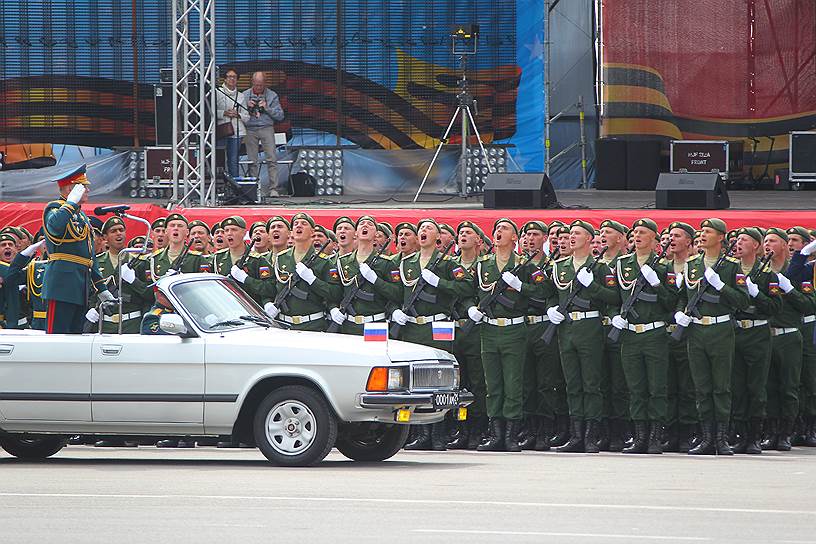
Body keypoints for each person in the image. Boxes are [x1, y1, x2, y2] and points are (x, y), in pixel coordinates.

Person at [393, 219, 473, 451]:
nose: (423, 232)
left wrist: (440, 283)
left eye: (429, 228)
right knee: (413, 381)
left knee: (440, 381)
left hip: (438, 326)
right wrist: (395, 311)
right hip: (412, 327)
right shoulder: (407, 264)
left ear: (438, 236)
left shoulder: (447, 264)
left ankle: (438, 433)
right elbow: (394, 294)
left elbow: (467, 287)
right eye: (421, 230)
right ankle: (419, 433)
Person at [674, 218, 749, 455]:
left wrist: (721, 287)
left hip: (720, 330)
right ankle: (706, 438)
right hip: (696, 331)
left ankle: (721, 438)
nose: (703, 235)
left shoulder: (730, 267)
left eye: (709, 231)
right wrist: (679, 312)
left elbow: (743, 301)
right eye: (702, 231)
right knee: (702, 386)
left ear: (721, 237)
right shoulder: (692, 265)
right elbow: (683, 297)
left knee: (721, 387)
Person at [546, 220, 619, 453]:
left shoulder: (599, 268)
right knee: (573, 384)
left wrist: (594, 287)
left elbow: (614, 297)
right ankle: (576, 435)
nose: (571, 237)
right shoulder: (559, 267)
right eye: (570, 234)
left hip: (589, 328)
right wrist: (551, 309)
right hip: (566, 329)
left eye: (577, 233)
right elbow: (550, 295)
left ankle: (590, 436)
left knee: (591, 384)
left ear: (589, 239)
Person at [611, 218, 676, 454]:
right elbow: (613, 297)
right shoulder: (621, 265)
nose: (636, 236)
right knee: (636, 387)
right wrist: (615, 315)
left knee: (656, 387)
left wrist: (657, 284)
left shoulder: (663, 266)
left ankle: (655, 437)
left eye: (643, 233)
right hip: (630, 335)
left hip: (654, 333)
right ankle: (640, 437)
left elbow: (671, 302)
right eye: (635, 232)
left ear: (655, 239)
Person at [41, 165, 114, 334]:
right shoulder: (54, 209)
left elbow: (90, 257)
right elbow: (55, 227)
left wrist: (101, 288)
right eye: (83, 186)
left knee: (74, 339)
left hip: (80, 286)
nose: (88, 189)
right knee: (57, 339)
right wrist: (70, 203)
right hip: (61, 285)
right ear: (69, 189)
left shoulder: (81, 216)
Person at [729, 227, 780, 454]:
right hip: (735, 331)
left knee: (756, 386)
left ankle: (754, 436)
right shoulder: (730, 270)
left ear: (756, 246)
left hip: (757, 334)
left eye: (744, 240)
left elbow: (774, 308)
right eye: (737, 239)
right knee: (737, 386)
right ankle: (739, 434)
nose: (738, 243)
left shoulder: (768, 274)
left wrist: (756, 293)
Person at [446, 221, 488, 449]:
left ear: (479, 240)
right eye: (460, 233)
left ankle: (478, 429)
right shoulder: (449, 265)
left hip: (475, 329)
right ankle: (461, 428)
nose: (462, 235)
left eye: (468, 233)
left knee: (477, 383)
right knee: (457, 384)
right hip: (453, 328)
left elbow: (472, 289)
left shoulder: (483, 265)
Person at [265, 212, 342, 331]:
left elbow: (335, 293)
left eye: (303, 224)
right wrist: (267, 302)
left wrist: (313, 280)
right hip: (284, 324)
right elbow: (269, 287)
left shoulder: (324, 261)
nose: (299, 226)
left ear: (312, 232)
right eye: (296, 224)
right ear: (291, 232)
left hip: (313, 324)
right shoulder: (281, 258)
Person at [329, 215, 400, 335]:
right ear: (356, 233)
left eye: (370, 224)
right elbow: (333, 292)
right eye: (361, 224)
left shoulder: (386, 263)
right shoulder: (342, 262)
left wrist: (375, 280)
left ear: (376, 234)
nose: (365, 225)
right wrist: (332, 308)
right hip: (349, 325)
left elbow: (397, 293)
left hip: (375, 324)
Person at [664, 222, 699, 452]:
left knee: (687, 386)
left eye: (677, 236)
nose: (671, 239)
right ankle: (670, 431)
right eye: (668, 236)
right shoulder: (662, 268)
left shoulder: (694, 267)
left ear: (689, 241)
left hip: (688, 334)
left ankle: (687, 432)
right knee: (667, 386)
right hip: (664, 334)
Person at [210, 215, 275, 306]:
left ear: (244, 233)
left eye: (234, 230)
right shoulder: (218, 258)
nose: (229, 233)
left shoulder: (257, 260)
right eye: (226, 230)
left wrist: (246, 279)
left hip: (249, 309)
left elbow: (270, 288)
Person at [242, 71, 285, 197]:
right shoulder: (244, 95)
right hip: (250, 129)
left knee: (271, 158)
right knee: (252, 160)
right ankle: (253, 188)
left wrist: (267, 108)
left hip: (267, 128)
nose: (258, 88)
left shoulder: (272, 95)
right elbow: (238, 114)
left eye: (261, 85)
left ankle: (274, 189)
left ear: (265, 83)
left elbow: (280, 116)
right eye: (256, 85)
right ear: (252, 83)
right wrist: (246, 107)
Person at [216, 67, 249, 179]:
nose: (232, 79)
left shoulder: (241, 96)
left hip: (236, 131)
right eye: (229, 77)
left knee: (233, 159)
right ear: (224, 79)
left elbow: (247, 116)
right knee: (219, 158)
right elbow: (209, 112)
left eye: (234, 77)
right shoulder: (217, 92)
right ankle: (219, 183)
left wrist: (237, 114)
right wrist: (224, 113)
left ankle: (235, 184)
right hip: (221, 130)